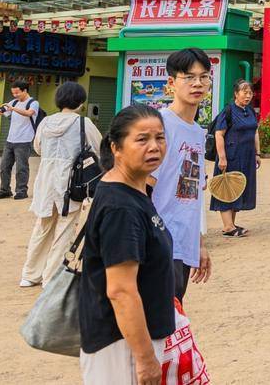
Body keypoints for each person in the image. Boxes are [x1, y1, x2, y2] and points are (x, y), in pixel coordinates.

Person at [78, 104, 177, 384]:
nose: (154, 146)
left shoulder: (134, 190)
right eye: (142, 139)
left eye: (159, 137)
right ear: (116, 148)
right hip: (121, 345)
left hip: (133, 338)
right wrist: (145, 358)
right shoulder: (121, 208)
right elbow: (121, 290)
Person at [21, 81, 102, 288]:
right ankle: (51, 277)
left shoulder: (45, 122)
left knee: (42, 226)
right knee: (65, 229)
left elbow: (38, 148)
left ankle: (30, 274)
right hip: (71, 183)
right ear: (80, 102)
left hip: (46, 180)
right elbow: (98, 148)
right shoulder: (83, 123)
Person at [151, 48, 212, 300]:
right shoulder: (160, 125)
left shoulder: (197, 132)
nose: (197, 83)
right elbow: (141, 188)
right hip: (156, 244)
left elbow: (192, 194)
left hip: (182, 245)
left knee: (172, 317)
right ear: (171, 83)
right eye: (188, 77)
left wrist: (198, 243)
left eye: (203, 76)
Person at [210, 79, 261, 237]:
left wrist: (257, 153)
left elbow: (255, 132)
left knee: (237, 188)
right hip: (231, 156)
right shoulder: (228, 111)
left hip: (247, 156)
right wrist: (222, 158)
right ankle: (228, 227)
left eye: (250, 93)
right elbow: (219, 135)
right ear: (236, 94)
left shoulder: (250, 111)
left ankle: (231, 224)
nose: (248, 96)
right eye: (244, 92)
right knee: (227, 187)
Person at [0, 77, 40, 200]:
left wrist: (13, 108)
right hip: (10, 140)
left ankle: (21, 191)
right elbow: (3, 111)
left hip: (24, 141)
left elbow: (29, 113)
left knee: (21, 168)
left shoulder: (33, 103)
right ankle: (5, 190)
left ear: (25, 90)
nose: (15, 95)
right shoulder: (13, 102)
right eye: (13, 93)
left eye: (17, 93)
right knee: (4, 167)